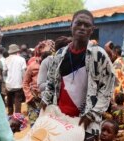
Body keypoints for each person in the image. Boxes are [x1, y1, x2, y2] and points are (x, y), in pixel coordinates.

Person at [41, 9, 115, 141]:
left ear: (92, 30)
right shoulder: (59, 54)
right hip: (59, 117)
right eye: (78, 23)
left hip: (85, 120)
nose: (82, 27)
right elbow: (51, 82)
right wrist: (45, 100)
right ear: (71, 26)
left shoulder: (99, 55)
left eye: (86, 25)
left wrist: (92, 115)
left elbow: (107, 89)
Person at [4, 44, 27, 115]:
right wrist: (24, 82)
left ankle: (10, 115)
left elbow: (4, 73)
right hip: (18, 83)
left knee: (9, 101)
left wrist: (6, 81)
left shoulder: (6, 60)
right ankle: (17, 117)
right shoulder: (21, 59)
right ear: (17, 51)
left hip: (9, 84)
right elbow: (24, 73)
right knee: (17, 101)